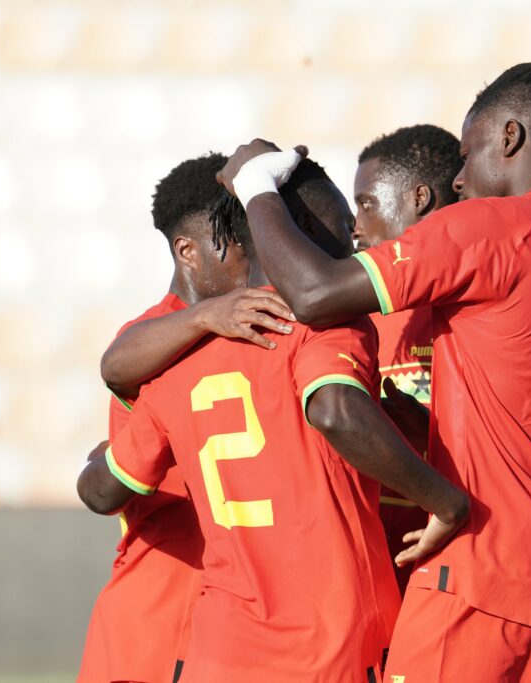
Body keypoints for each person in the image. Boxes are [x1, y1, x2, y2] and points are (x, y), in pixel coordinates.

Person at [216, 58, 531, 681]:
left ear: (509, 138)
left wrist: (258, 187)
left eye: (468, 151)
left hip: (481, 576)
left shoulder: (492, 227)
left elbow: (316, 293)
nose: (456, 179)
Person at [77, 158, 469, 682]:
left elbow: (100, 490)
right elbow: (334, 412)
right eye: (340, 215)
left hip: (218, 648)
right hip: (327, 642)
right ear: (298, 228)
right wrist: (444, 501)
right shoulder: (323, 325)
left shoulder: (173, 360)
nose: (353, 232)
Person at [78, 152, 280, 683]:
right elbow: (115, 363)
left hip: (241, 619)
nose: (254, 256)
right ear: (188, 250)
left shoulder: (256, 320)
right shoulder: (155, 338)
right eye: (239, 241)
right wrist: (206, 316)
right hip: (158, 615)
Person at [352, 123, 462, 594]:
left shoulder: (472, 309)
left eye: (367, 203)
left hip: (456, 562)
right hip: (372, 567)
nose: (355, 225)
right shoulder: (359, 311)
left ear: (419, 198)